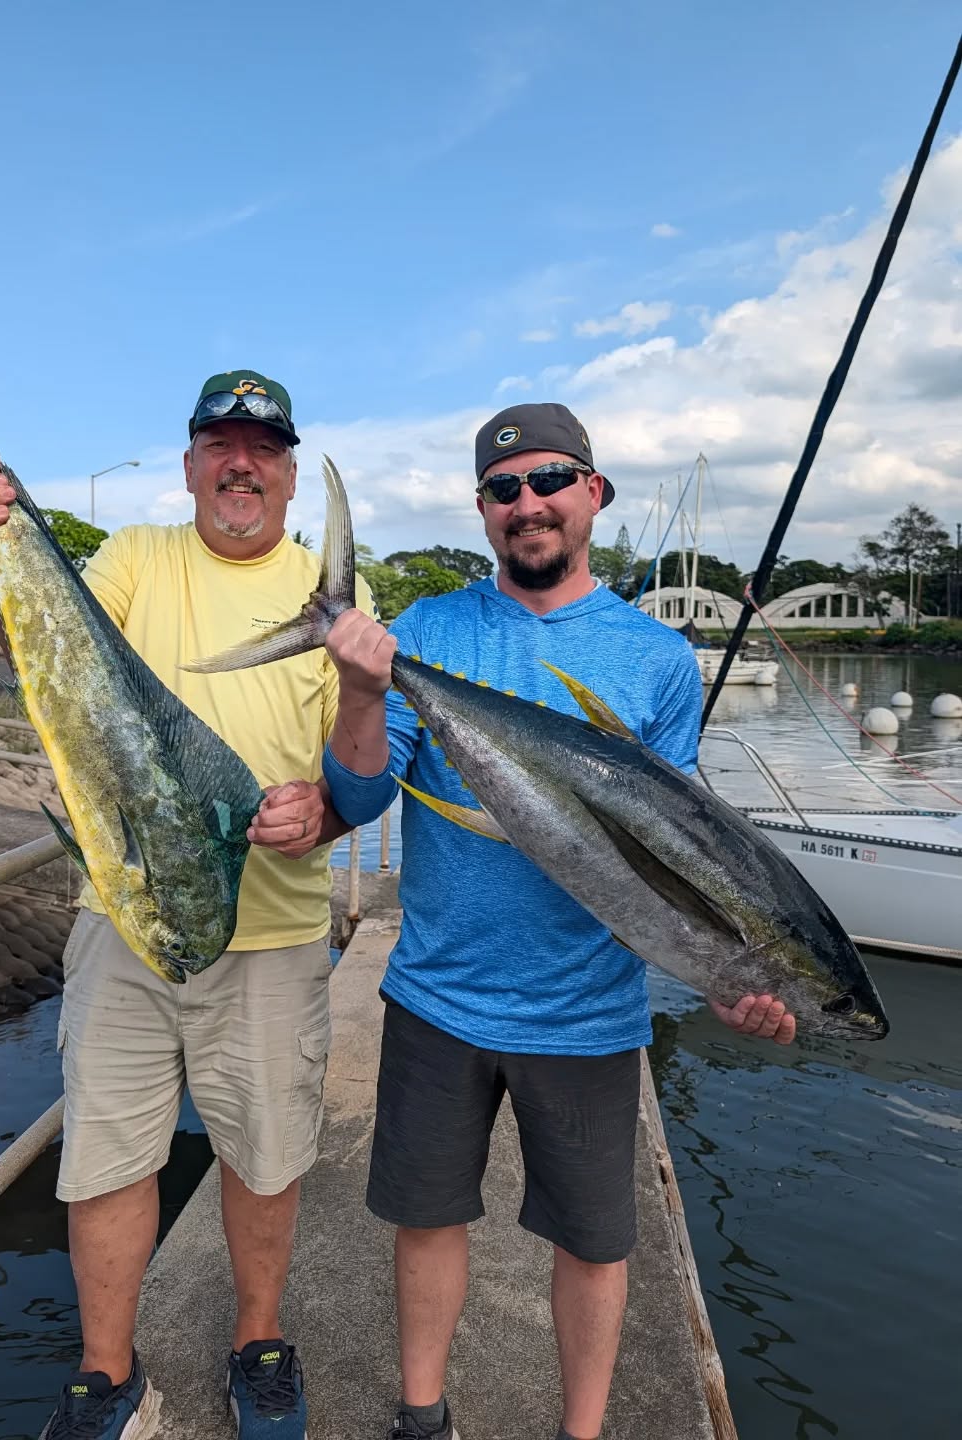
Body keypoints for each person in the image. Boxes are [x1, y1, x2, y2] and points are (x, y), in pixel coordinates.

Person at [319, 402, 796, 1440]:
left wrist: (729, 974)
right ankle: (421, 1416)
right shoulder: (427, 633)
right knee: (426, 1220)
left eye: (547, 481)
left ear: (593, 492)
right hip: (438, 994)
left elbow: (680, 851)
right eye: (504, 489)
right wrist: (358, 690)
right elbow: (358, 800)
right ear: (483, 509)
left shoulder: (658, 659)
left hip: (588, 1011)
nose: (526, 504)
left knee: (594, 1243)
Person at [0, 370, 376, 1440]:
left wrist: (323, 809)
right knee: (108, 1158)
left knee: (264, 1157)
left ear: (287, 473)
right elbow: (46, 655)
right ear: (189, 466)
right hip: (122, 918)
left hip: (272, 934)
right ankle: (104, 1374)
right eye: (221, 445)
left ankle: (259, 1343)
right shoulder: (135, 557)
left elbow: (361, 771)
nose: (241, 466)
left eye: (264, 450)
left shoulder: (335, 594)